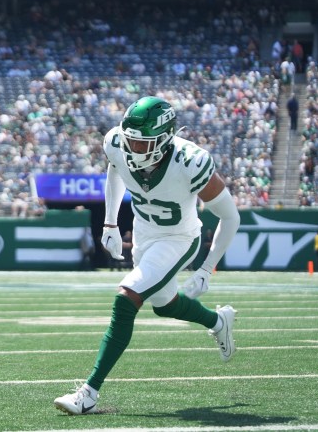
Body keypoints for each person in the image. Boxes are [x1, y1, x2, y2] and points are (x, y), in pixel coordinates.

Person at [53, 97, 241, 415]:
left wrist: (207, 269)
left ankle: (88, 393)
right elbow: (115, 168)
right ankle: (218, 320)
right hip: (144, 235)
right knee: (165, 306)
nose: (131, 148)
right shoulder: (117, 141)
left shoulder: (190, 161)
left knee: (126, 298)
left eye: (141, 144)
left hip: (179, 238)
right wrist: (109, 221)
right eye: (130, 140)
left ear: (164, 140)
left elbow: (230, 216)